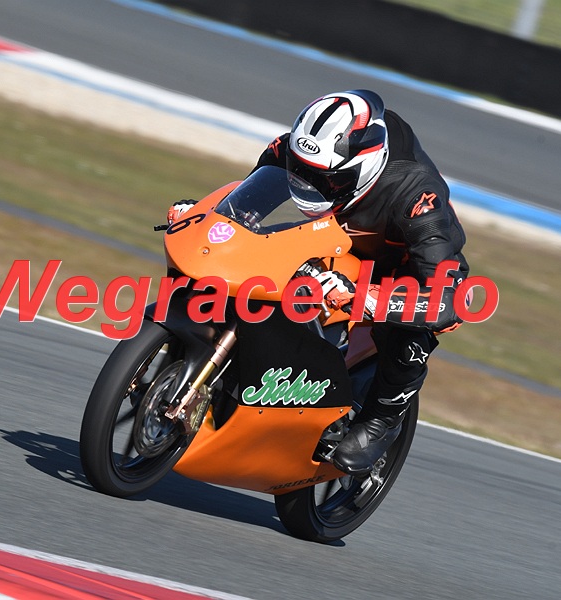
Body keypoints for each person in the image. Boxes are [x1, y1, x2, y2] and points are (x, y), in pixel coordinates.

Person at [168, 90, 468, 477]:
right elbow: (246, 213)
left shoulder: (417, 197)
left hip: (403, 265)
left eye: (326, 178)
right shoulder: (291, 150)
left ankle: (382, 420)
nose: (309, 183)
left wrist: (367, 299)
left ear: (363, 166)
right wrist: (202, 219)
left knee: (408, 333)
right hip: (334, 238)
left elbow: (448, 302)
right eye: (302, 170)